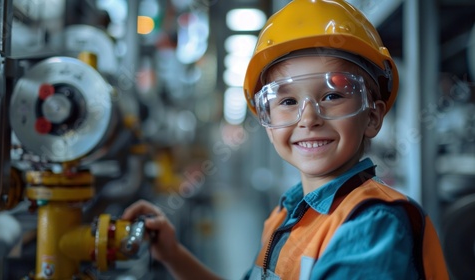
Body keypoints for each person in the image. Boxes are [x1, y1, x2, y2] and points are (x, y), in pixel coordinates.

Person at [122, 0, 450, 279]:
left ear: (373, 116)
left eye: (333, 95)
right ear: (266, 120)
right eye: (287, 102)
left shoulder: (371, 226)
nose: (308, 118)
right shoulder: (288, 213)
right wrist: (172, 254)